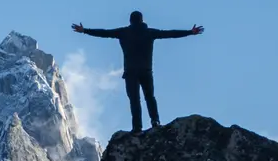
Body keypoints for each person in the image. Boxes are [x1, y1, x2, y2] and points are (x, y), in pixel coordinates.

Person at [72, 12, 203, 133]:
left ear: (130, 21)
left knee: (134, 100)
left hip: (130, 72)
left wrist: (84, 31)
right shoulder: (149, 32)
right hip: (146, 71)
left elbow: (104, 33)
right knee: (150, 97)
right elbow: (170, 34)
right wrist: (190, 32)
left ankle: (137, 127)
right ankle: (155, 121)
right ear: (142, 20)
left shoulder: (124, 32)